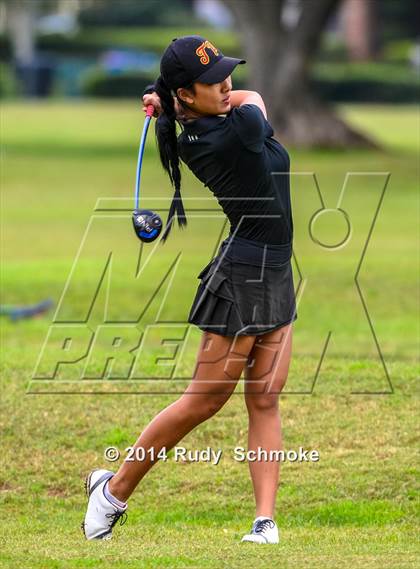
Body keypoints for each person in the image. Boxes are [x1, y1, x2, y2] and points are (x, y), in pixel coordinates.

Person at [82, 35, 297, 545]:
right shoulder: (234, 130)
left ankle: (264, 523)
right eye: (212, 81)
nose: (226, 85)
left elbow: (232, 98)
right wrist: (167, 101)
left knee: (265, 398)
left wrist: (168, 102)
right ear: (185, 94)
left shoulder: (197, 129)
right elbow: (254, 100)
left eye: (225, 74)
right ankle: (112, 492)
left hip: (275, 267)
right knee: (203, 401)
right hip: (243, 274)